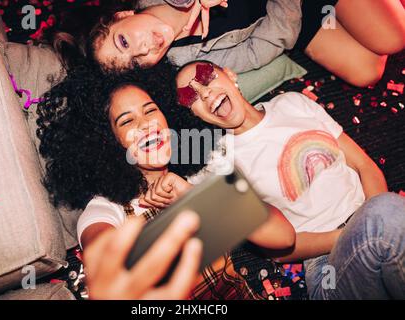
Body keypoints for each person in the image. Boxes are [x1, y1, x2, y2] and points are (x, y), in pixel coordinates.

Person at [36, 61, 296, 299]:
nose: (147, 124)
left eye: (150, 110)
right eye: (127, 121)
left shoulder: (199, 179)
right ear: (109, 143)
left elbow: (283, 237)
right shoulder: (107, 209)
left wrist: (192, 196)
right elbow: (105, 261)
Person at [169, 60, 405, 299]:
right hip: (329, 268)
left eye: (207, 77)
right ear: (194, 115)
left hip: (379, 226)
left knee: (386, 212)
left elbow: (364, 165)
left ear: (230, 75)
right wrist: (358, 230)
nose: (206, 92)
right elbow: (280, 252)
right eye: (191, 97)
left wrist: (375, 222)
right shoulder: (218, 163)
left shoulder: (292, 103)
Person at [47, 0, 405, 87]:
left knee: (393, 37)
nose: (144, 50)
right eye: (136, 62)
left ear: (124, 15)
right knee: (367, 72)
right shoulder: (179, 58)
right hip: (291, 11)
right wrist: (288, 22)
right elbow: (254, 51)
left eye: (124, 41)